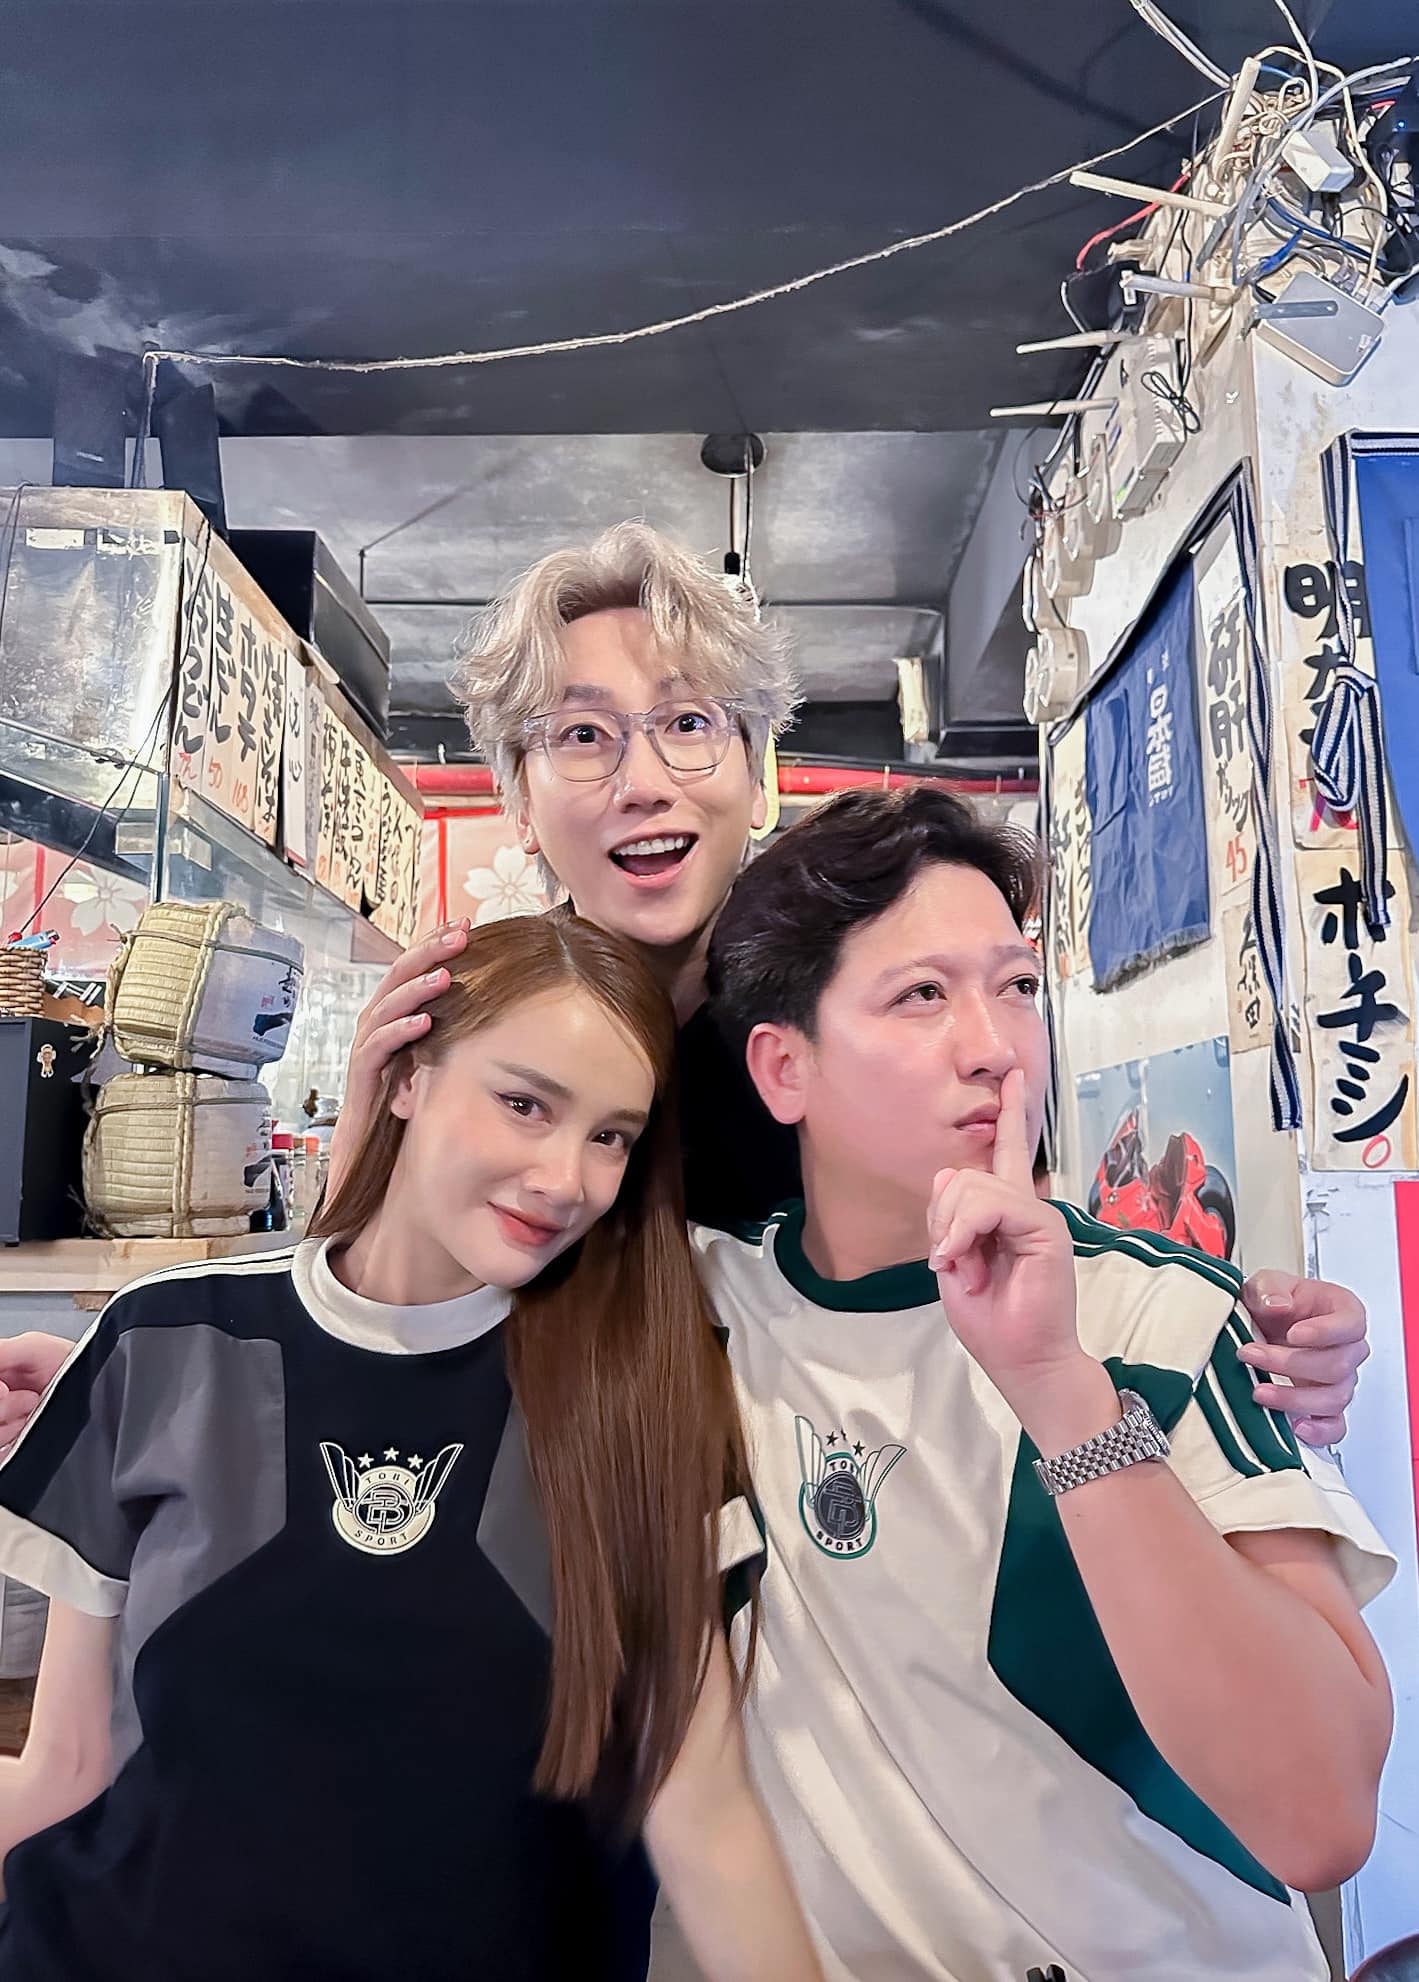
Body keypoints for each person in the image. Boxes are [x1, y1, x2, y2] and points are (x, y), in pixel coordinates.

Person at [0, 525, 1368, 1448]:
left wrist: (1230, 1345)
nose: (642, 779)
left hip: (841, 1553)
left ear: (755, 767)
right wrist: (140, 1393)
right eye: (580, 735)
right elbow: (353, 1305)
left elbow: (1020, 1246)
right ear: (518, 791)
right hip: (539, 1551)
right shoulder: (460, 1023)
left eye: (688, 723)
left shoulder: (858, 1007)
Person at [0, 915, 822, 1982]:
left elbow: (704, 1809)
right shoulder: (166, 1337)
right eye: (524, 1103)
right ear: (403, 1077)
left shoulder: (638, 1398)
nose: (566, 1177)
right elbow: (67, 1763)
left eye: (612, 1135)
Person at [699, 785, 1395, 1982]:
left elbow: (1324, 1814)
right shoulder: (704, 1315)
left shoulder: (1161, 1314)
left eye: (1017, 984)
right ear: (783, 1066)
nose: (995, 1043)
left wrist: (1058, 1383)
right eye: (922, 995)